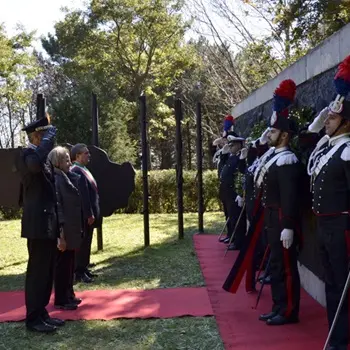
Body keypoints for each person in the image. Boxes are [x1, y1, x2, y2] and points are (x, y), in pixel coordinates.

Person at [307, 55, 350, 350]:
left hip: (342, 227)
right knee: (332, 283)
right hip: (324, 226)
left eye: (332, 118)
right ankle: (336, 334)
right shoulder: (328, 149)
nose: (326, 122)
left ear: (346, 121)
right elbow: (308, 135)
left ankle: (342, 336)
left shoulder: (347, 151)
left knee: (342, 286)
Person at [256, 79, 301, 326]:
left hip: (281, 218)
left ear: (284, 135)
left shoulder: (287, 160)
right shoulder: (274, 157)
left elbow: (289, 196)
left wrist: (288, 225)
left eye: (273, 132)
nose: (268, 135)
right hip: (271, 218)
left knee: (285, 268)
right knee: (275, 265)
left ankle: (289, 311)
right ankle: (277, 307)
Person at [16, 114, 65, 333]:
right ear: (36, 137)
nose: (48, 141)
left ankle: (42, 311)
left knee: (47, 271)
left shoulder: (42, 158)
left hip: (49, 222)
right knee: (37, 271)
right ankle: (33, 318)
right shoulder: (26, 155)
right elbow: (34, 166)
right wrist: (47, 142)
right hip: (37, 224)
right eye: (44, 137)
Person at [48, 146, 84, 310]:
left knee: (69, 263)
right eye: (66, 159)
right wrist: (60, 234)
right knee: (62, 265)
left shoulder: (66, 176)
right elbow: (58, 207)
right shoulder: (56, 179)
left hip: (72, 228)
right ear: (58, 162)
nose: (69, 162)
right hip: (64, 229)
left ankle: (69, 294)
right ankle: (62, 299)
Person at [70, 143, 100, 283]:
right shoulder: (76, 170)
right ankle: (79, 271)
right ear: (77, 156)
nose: (89, 155)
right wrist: (89, 214)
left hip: (90, 213)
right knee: (82, 243)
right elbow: (83, 195)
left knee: (87, 241)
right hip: (84, 215)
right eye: (86, 153)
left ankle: (84, 267)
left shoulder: (84, 169)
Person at [218, 133, 246, 250]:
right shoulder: (231, 157)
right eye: (230, 144)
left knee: (237, 218)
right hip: (227, 192)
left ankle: (238, 241)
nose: (230, 147)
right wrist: (223, 155)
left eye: (233, 145)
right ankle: (231, 236)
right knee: (230, 216)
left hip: (235, 192)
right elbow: (221, 170)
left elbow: (242, 174)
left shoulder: (241, 157)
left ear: (239, 145)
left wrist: (240, 193)